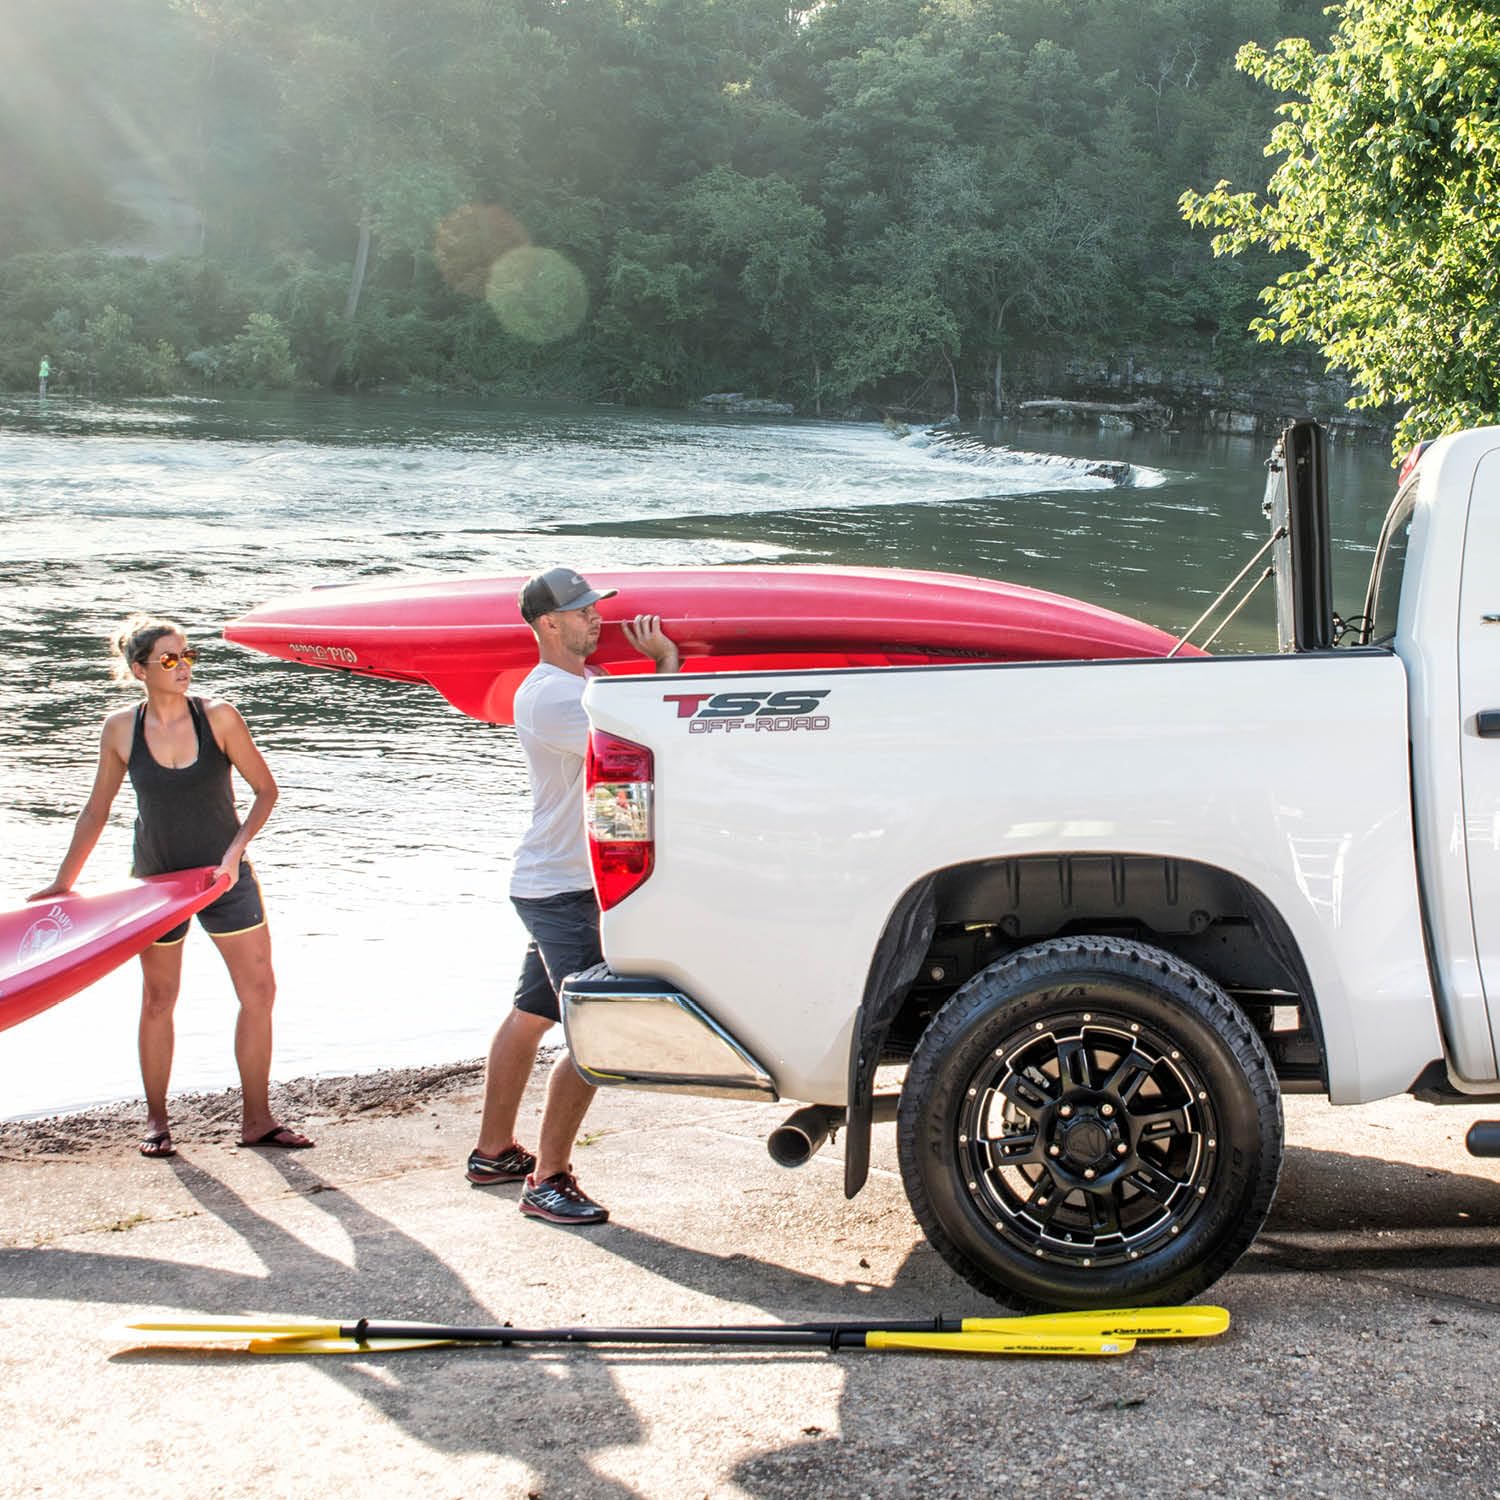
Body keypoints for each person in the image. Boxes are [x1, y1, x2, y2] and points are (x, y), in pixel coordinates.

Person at [30, 614, 313, 1158]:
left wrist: (233, 855)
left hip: (223, 880)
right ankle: (157, 1123)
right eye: (168, 659)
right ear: (140, 670)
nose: (183, 666)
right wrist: (63, 884)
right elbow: (96, 810)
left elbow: (265, 792)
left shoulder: (220, 718)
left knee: (259, 994)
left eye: (187, 656)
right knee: (159, 999)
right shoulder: (121, 729)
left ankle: (258, 1120)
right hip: (156, 888)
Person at [467, 567, 678, 1225]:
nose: (597, 619)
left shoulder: (582, 685)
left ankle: (493, 1152)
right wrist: (669, 664)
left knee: (533, 1012)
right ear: (548, 624)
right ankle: (547, 1179)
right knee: (599, 1027)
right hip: (563, 891)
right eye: (583, 611)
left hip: (562, 882)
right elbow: (653, 746)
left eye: (596, 607)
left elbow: (617, 794)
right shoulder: (551, 698)